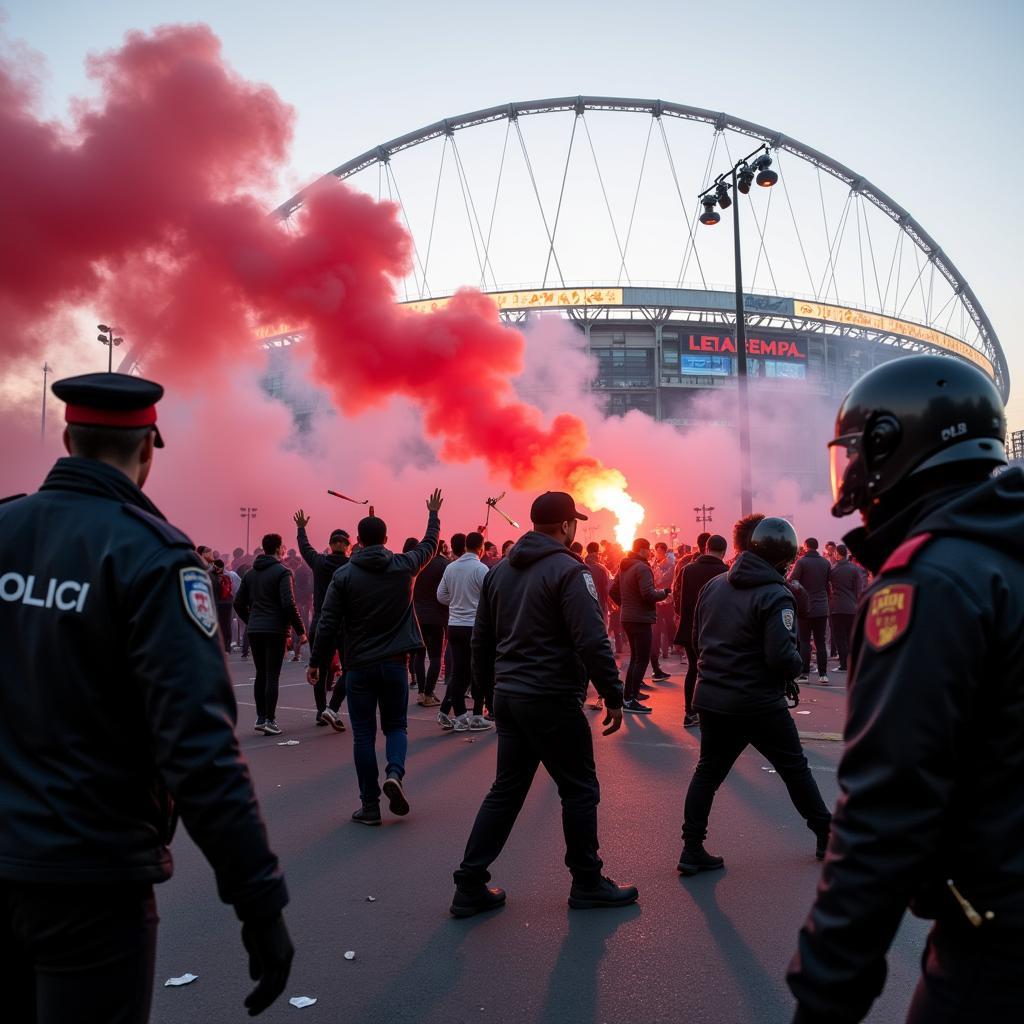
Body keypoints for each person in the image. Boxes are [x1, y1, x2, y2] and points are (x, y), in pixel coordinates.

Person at [0, 373, 292, 1021]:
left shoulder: (5, 526)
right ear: (148, 451)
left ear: (69, 440)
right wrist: (258, 897)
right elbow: (197, 745)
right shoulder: (153, 556)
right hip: (91, 877)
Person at [788, 355, 1024, 1024]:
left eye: (858, 452)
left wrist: (824, 996)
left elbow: (886, 810)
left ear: (893, 445)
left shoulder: (931, 582)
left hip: (998, 947)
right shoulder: (1003, 551)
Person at [450, 491, 636, 917]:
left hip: (510, 697)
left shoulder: (498, 572)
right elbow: (591, 638)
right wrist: (612, 693)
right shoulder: (570, 571)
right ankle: (587, 881)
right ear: (568, 526)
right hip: (551, 696)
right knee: (580, 790)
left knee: (506, 790)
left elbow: (481, 639)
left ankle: (469, 883)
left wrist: (485, 696)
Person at [678, 517, 832, 877]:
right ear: (784, 556)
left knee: (707, 772)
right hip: (758, 701)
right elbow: (782, 658)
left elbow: (699, 639)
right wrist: (796, 666)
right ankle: (826, 834)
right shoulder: (778, 594)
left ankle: (691, 848)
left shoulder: (715, 585)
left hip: (713, 695)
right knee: (794, 769)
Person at [308, 491, 442, 826]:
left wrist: (316, 661)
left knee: (364, 736)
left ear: (358, 542)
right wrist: (433, 514)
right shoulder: (404, 565)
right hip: (396, 664)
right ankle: (394, 773)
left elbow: (326, 623)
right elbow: (428, 545)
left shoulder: (344, 576)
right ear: (385, 539)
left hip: (359, 667)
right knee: (396, 726)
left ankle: (369, 806)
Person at [233, 533, 307, 736]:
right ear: (278, 549)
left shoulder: (250, 573)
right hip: (274, 629)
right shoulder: (283, 572)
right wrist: (300, 629)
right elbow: (288, 603)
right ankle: (270, 720)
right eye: (283, 547)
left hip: (255, 629)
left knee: (261, 674)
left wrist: (251, 620)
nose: (284, 550)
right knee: (272, 675)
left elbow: (238, 603)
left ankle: (260, 717)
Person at [294, 512, 351, 729]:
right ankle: (333, 708)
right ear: (346, 546)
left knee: (319, 667)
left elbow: (305, 547)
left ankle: (321, 710)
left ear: (330, 544)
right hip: (345, 625)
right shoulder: (351, 565)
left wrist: (301, 528)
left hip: (321, 621)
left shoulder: (319, 562)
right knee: (348, 668)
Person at [437, 531, 491, 731]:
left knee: (459, 672)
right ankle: (476, 715)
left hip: (454, 625)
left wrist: (457, 601)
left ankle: (458, 714)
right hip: (474, 626)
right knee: (477, 671)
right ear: (481, 547)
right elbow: (490, 598)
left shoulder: (451, 568)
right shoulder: (481, 569)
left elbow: (441, 595)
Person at [674, 533, 729, 727]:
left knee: (692, 669)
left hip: (690, 629)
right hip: (717, 630)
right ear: (724, 551)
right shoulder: (726, 572)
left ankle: (689, 712)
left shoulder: (688, 570)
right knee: (716, 671)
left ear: (705, 548)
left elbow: (679, 599)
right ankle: (714, 712)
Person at [611, 537, 670, 714]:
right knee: (641, 659)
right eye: (649, 548)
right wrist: (664, 593)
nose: (650, 551)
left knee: (636, 658)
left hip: (628, 618)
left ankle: (628, 695)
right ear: (643, 550)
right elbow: (648, 594)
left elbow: (612, 591)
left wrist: (626, 605)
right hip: (640, 619)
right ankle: (631, 698)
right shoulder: (643, 568)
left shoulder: (624, 567)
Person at [412, 540, 449, 708]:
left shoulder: (417, 561)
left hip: (418, 614)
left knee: (420, 655)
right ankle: (428, 692)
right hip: (436, 615)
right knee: (435, 657)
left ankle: (421, 691)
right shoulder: (443, 565)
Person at [789, 538, 832, 683]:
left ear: (806, 547)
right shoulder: (826, 563)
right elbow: (828, 584)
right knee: (820, 642)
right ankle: (823, 674)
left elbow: (792, 581)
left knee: (805, 641)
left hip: (805, 608)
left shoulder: (801, 562)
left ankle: (804, 674)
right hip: (822, 607)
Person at [826, 543, 862, 673]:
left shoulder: (833, 570)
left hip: (836, 607)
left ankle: (843, 664)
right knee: (850, 636)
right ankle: (853, 662)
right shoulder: (854, 569)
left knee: (839, 637)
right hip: (851, 607)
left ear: (838, 554)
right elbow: (859, 590)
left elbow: (828, 588)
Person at [652, 541, 677, 661]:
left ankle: (670, 647)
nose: (657, 553)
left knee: (668, 624)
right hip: (658, 598)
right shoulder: (656, 562)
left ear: (663, 550)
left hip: (667, 598)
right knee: (658, 626)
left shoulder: (670, 563)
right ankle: (661, 649)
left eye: (658, 550)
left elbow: (663, 578)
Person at [211, 557, 235, 652]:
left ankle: (218, 645)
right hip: (227, 603)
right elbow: (234, 589)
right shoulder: (228, 575)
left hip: (217, 604)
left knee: (218, 625)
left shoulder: (211, 576)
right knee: (227, 625)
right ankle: (227, 646)